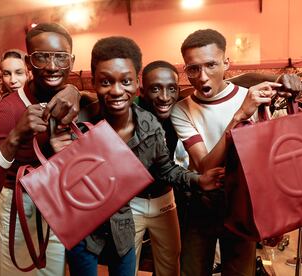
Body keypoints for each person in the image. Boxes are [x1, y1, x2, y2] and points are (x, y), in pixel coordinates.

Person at [53, 36, 225, 276]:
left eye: (125, 81)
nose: (116, 91)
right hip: (84, 230)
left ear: (136, 84)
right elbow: (62, 185)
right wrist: (58, 155)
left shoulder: (149, 125)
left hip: (123, 224)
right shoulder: (77, 124)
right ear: (93, 82)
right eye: (105, 82)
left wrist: (200, 180)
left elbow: (165, 168)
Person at [137, 60, 302, 275]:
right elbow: (198, 166)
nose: (164, 96)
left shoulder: (183, 99)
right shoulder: (154, 108)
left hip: (226, 199)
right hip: (178, 199)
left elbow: (242, 80)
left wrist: (280, 80)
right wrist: (75, 89)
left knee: (230, 269)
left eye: (171, 89)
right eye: (194, 68)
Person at [0, 22, 81, 276]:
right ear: (29, 62)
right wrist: (15, 137)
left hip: (56, 202)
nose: (52, 67)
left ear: (71, 61)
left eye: (61, 58)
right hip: (20, 206)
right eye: (42, 58)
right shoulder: (8, 110)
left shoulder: (68, 97)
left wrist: (75, 90)